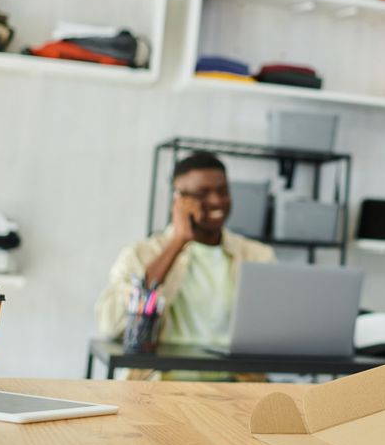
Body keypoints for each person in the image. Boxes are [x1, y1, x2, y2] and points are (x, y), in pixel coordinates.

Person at [94, 151, 275, 380]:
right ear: (178, 199)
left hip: (237, 387)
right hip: (160, 387)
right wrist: (178, 240)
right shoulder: (141, 254)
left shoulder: (258, 256)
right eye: (202, 193)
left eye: (222, 191)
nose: (216, 201)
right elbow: (111, 325)